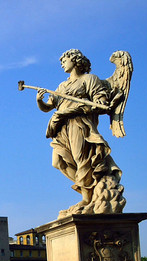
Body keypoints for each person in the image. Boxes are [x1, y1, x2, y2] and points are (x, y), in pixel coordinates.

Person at [36, 49, 125, 216]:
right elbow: (48, 107)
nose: (62, 63)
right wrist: (39, 101)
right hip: (62, 126)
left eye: (65, 59)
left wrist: (79, 106)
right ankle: (87, 190)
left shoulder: (89, 79)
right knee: (58, 162)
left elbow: (100, 102)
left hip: (79, 123)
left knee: (81, 159)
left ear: (76, 61)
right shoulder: (62, 86)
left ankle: (87, 197)